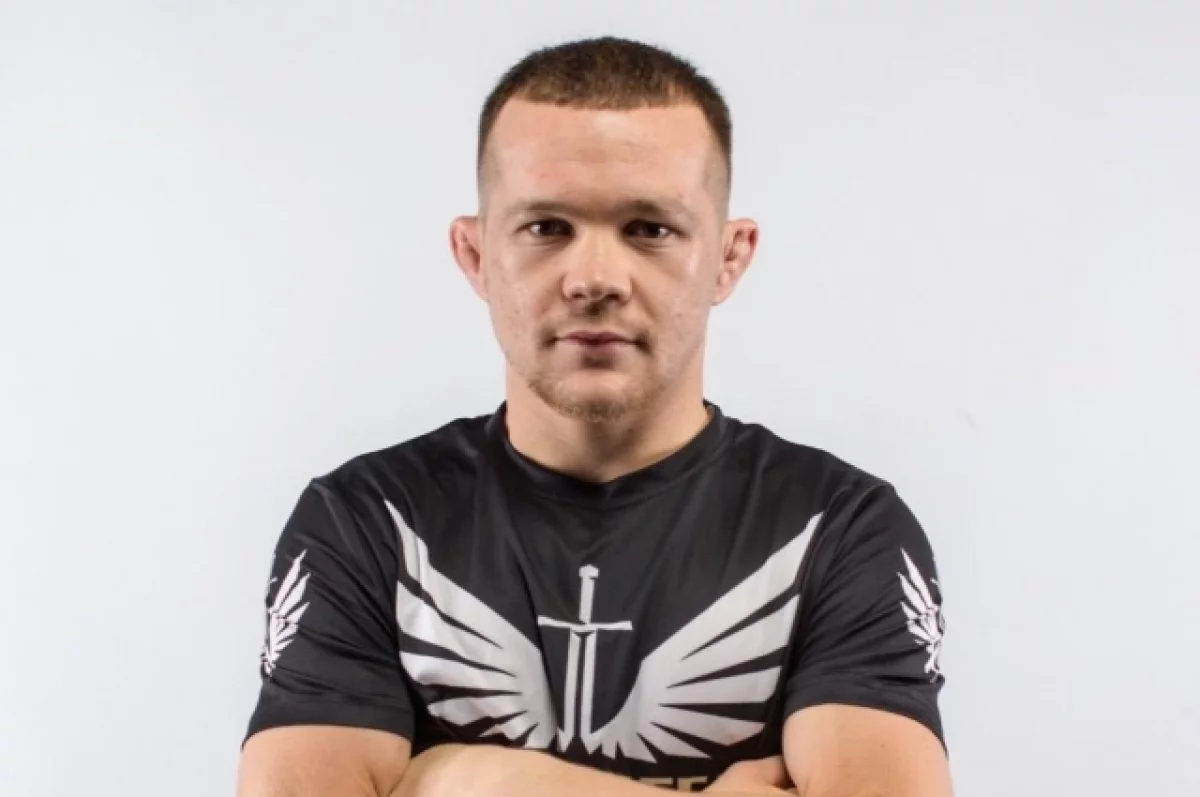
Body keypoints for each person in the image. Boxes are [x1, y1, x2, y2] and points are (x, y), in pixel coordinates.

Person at [236, 35, 953, 797]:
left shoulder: (838, 527)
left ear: (729, 256)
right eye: (546, 227)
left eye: (650, 229)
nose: (595, 278)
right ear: (476, 254)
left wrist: (467, 779)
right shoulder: (367, 520)